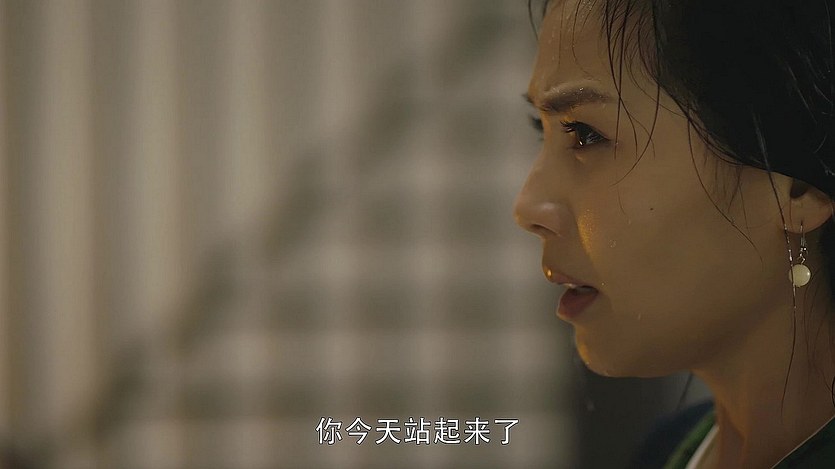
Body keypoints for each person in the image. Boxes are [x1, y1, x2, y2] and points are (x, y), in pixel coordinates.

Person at [513, 0, 835, 468]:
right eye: (541, 131)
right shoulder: (667, 449)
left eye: (585, 134)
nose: (526, 208)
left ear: (797, 188)